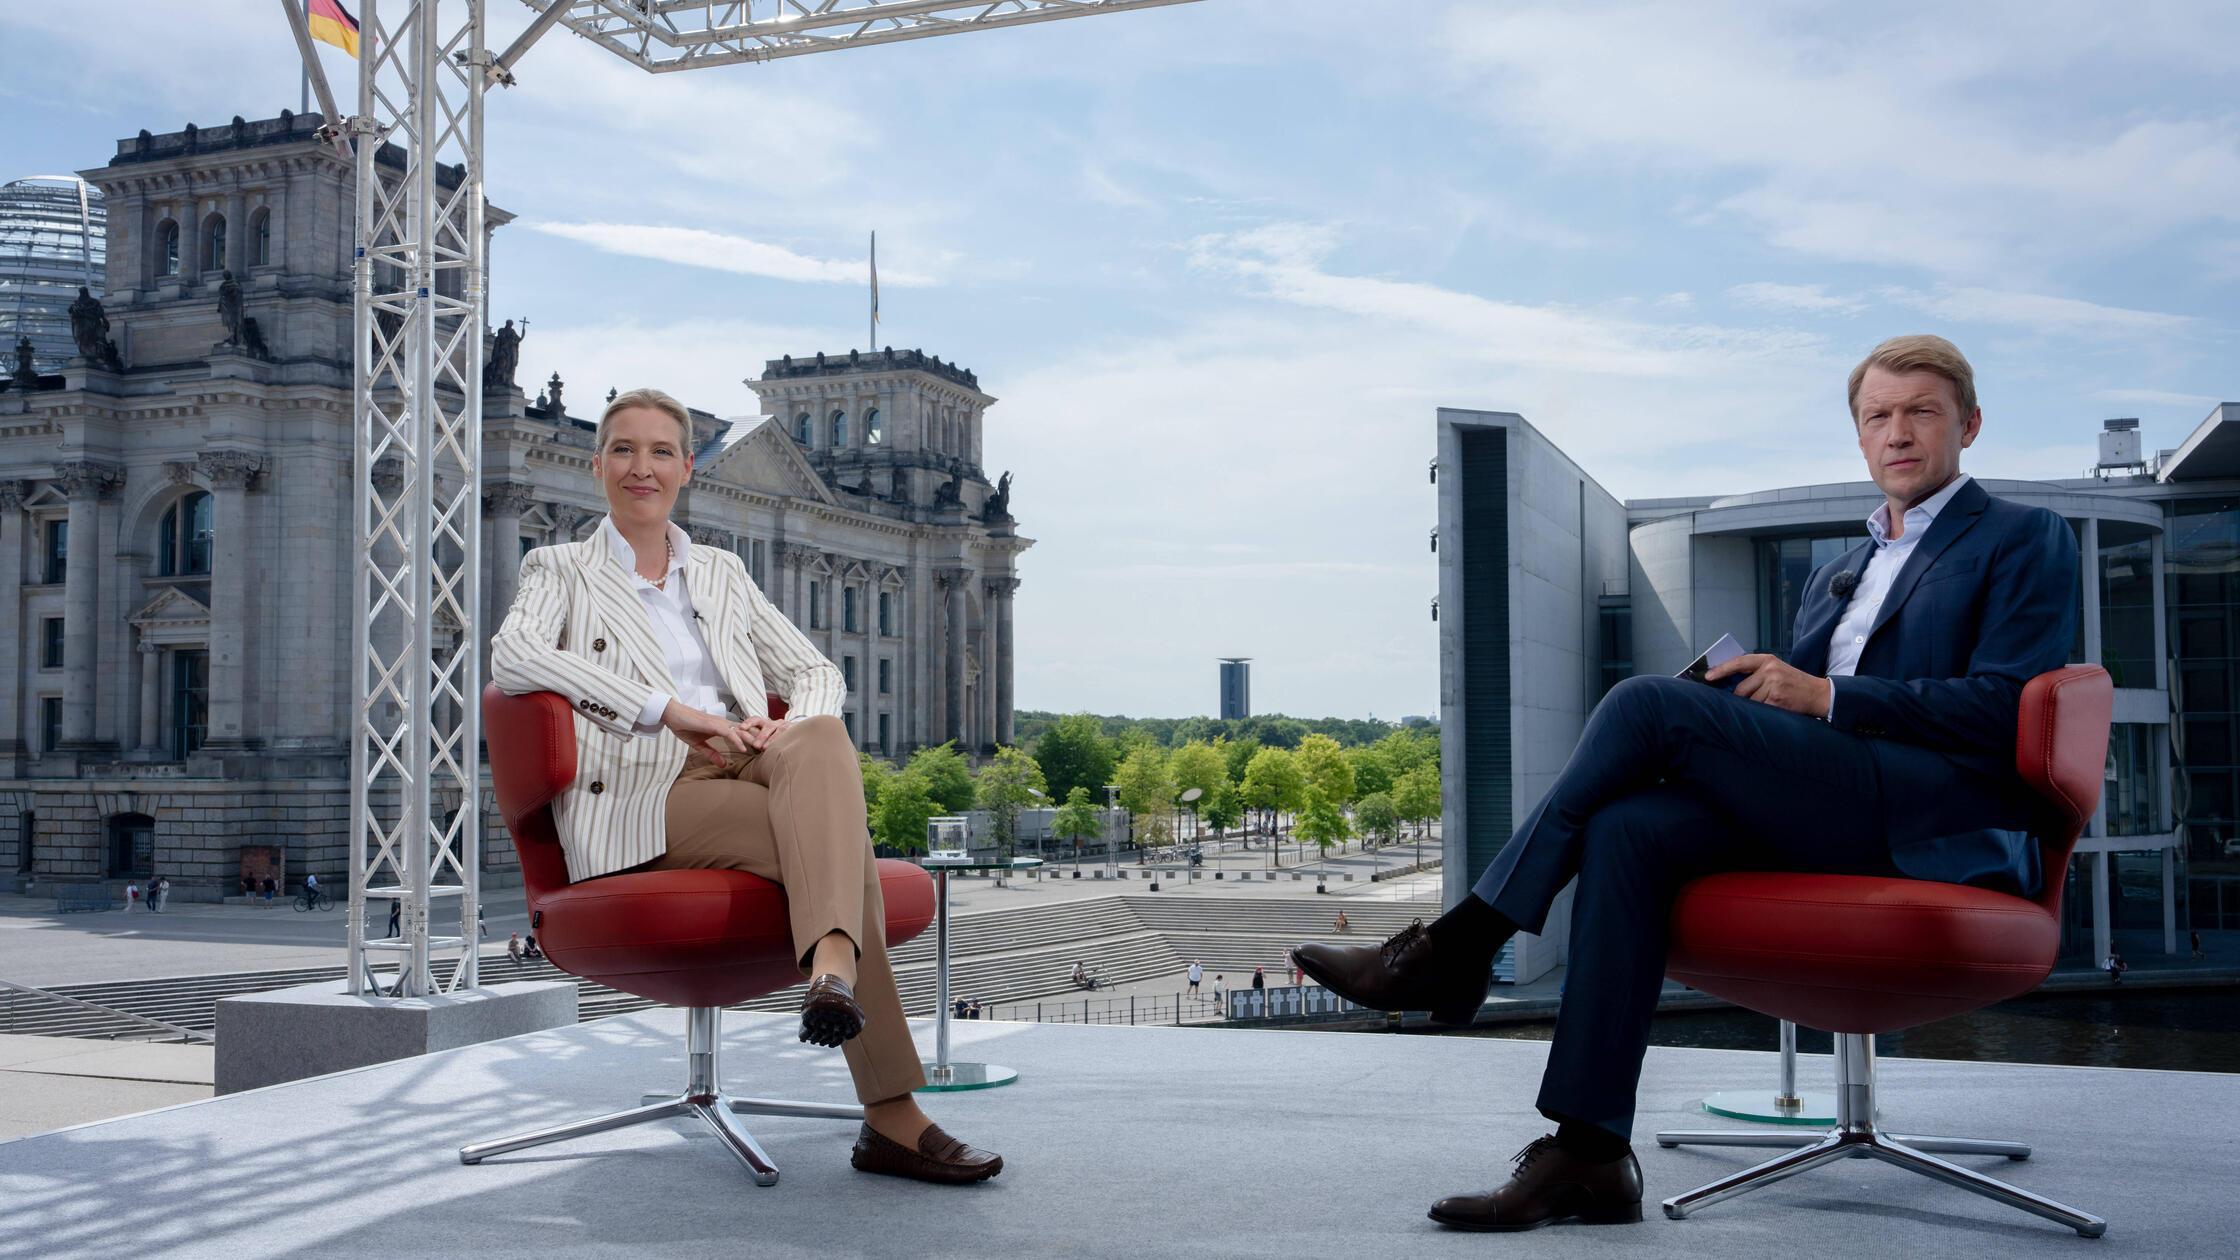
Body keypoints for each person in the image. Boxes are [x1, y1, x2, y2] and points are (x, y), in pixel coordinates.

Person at [1296, 336, 2078, 1232]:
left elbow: (2002, 711)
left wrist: (1825, 694)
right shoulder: (1838, 572)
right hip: (1833, 802)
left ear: (1968, 425)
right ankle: (1588, 1154)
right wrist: (1758, 699)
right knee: (1628, 826)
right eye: (1878, 416)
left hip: (1937, 815)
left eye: (1921, 412)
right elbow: (1801, 725)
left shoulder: (2022, 538)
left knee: (1641, 707)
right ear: (1860, 438)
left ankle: (1459, 946)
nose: (1898, 432)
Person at [490, 387, 998, 1185]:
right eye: (623, 450)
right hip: (639, 789)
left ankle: (832, 969)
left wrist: (782, 725)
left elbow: (814, 670)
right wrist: (671, 713)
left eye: (661, 452)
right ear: (597, 467)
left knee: (821, 731)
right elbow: (514, 657)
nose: (642, 468)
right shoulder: (558, 566)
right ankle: (890, 1115)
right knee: (841, 853)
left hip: (745, 757)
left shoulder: (721, 571)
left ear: (688, 468)